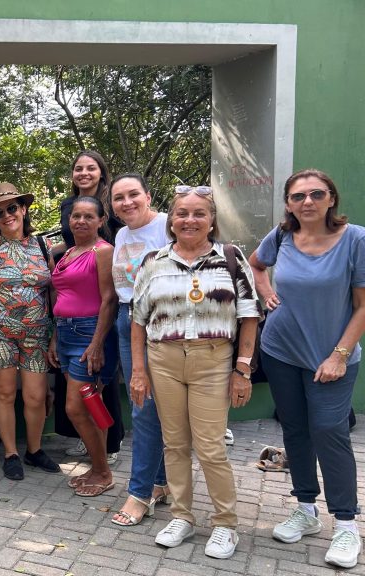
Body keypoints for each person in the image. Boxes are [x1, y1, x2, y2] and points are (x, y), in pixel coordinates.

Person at [130, 185, 259, 559]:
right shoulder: (153, 261)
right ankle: (182, 516)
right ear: (171, 220)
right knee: (174, 444)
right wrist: (138, 370)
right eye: (182, 213)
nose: (190, 220)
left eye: (199, 213)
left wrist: (242, 370)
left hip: (213, 361)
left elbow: (250, 315)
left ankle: (225, 524)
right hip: (164, 360)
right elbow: (138, 319)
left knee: (211, 447)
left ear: (211, 220)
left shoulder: (230, 258)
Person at [249, 168, 365, 569]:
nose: (308, 202)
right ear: (288, 204)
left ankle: (346, 525)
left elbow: (362, 306)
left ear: (331, 198)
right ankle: (305, 510)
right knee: (295, 430)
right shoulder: (281, 236)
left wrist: (340, 355)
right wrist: (266, 292)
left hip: (331, 357)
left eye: (316, 194)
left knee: (330, 431)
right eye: (298, 196)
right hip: (281, 351)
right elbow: (256, 265)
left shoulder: (355, 239)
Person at [0, 182, 60, 481]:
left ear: (23, 209)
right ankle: (10, 453)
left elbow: (53, 293)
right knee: (5, 393)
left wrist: (55, 334)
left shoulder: (42, 246)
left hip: (37, 334)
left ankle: (34, 450)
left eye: (11, 208)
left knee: (35, 396)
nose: (7, 215)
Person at [106, 173, 171, 526]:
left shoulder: (167, 225)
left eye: (133, 194)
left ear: (148, 195)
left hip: (158, 321)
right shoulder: (121, 234)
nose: (127, 202)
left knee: (145, 408)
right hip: (126, 317)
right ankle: (159, 483)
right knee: (144, 404)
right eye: (119, 198)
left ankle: (139, 493)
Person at [54, 150, 124, 461]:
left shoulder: (112, 210)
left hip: (92, 319)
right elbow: (69, 244)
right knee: (83, 400)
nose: (84, 173)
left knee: (91, 395)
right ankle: (95, 450)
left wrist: (97, 342)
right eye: (78, 168)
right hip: (67, 324)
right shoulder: (68, 212)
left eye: (90, 168)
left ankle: (107, 452)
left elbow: (110, 296)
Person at [48, 197, 118, 497]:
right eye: (76, 216)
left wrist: (97, 343)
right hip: (65, 333)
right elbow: (62, 296)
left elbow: (109, 299)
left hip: (88, 333)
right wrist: (55, 338)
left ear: (101, 221)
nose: (81, 221)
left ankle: (103, 472)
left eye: (89, 216)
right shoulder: (67, 253)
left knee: (75, 407)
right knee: (92, 405)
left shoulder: (103, 251)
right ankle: (97, 467)